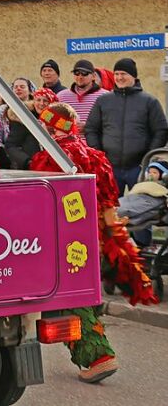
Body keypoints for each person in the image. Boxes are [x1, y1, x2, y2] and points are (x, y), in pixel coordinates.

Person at [29, 101, 155, 383]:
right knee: (82, 293)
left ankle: (99, 357)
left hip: (61, 238)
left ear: (51, 126)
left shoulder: (51, 157)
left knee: (69, 299)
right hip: (91, 238)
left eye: (43, 124)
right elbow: (110, 210)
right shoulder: (95, 156)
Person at [85, 58, 168, 196]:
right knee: (111, 210)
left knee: (140, 207)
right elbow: (91, 129)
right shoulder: (103, 101)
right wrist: (99, 155)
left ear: (133, 76)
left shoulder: (149, 101)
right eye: (116, 74)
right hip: (110, 167)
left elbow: (161, 131)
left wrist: (148, 158)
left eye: (123, 74)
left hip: (139, 168)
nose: (119, 77)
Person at [57, 60, 108, 128]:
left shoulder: (105, 96)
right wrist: (70, 127)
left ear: (93, 76)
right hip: (68, 138)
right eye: (76, 73)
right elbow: (52, 120)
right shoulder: (61, 96)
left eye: (84, 73)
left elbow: (112, 124)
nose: (80, 77)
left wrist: (88, 128)